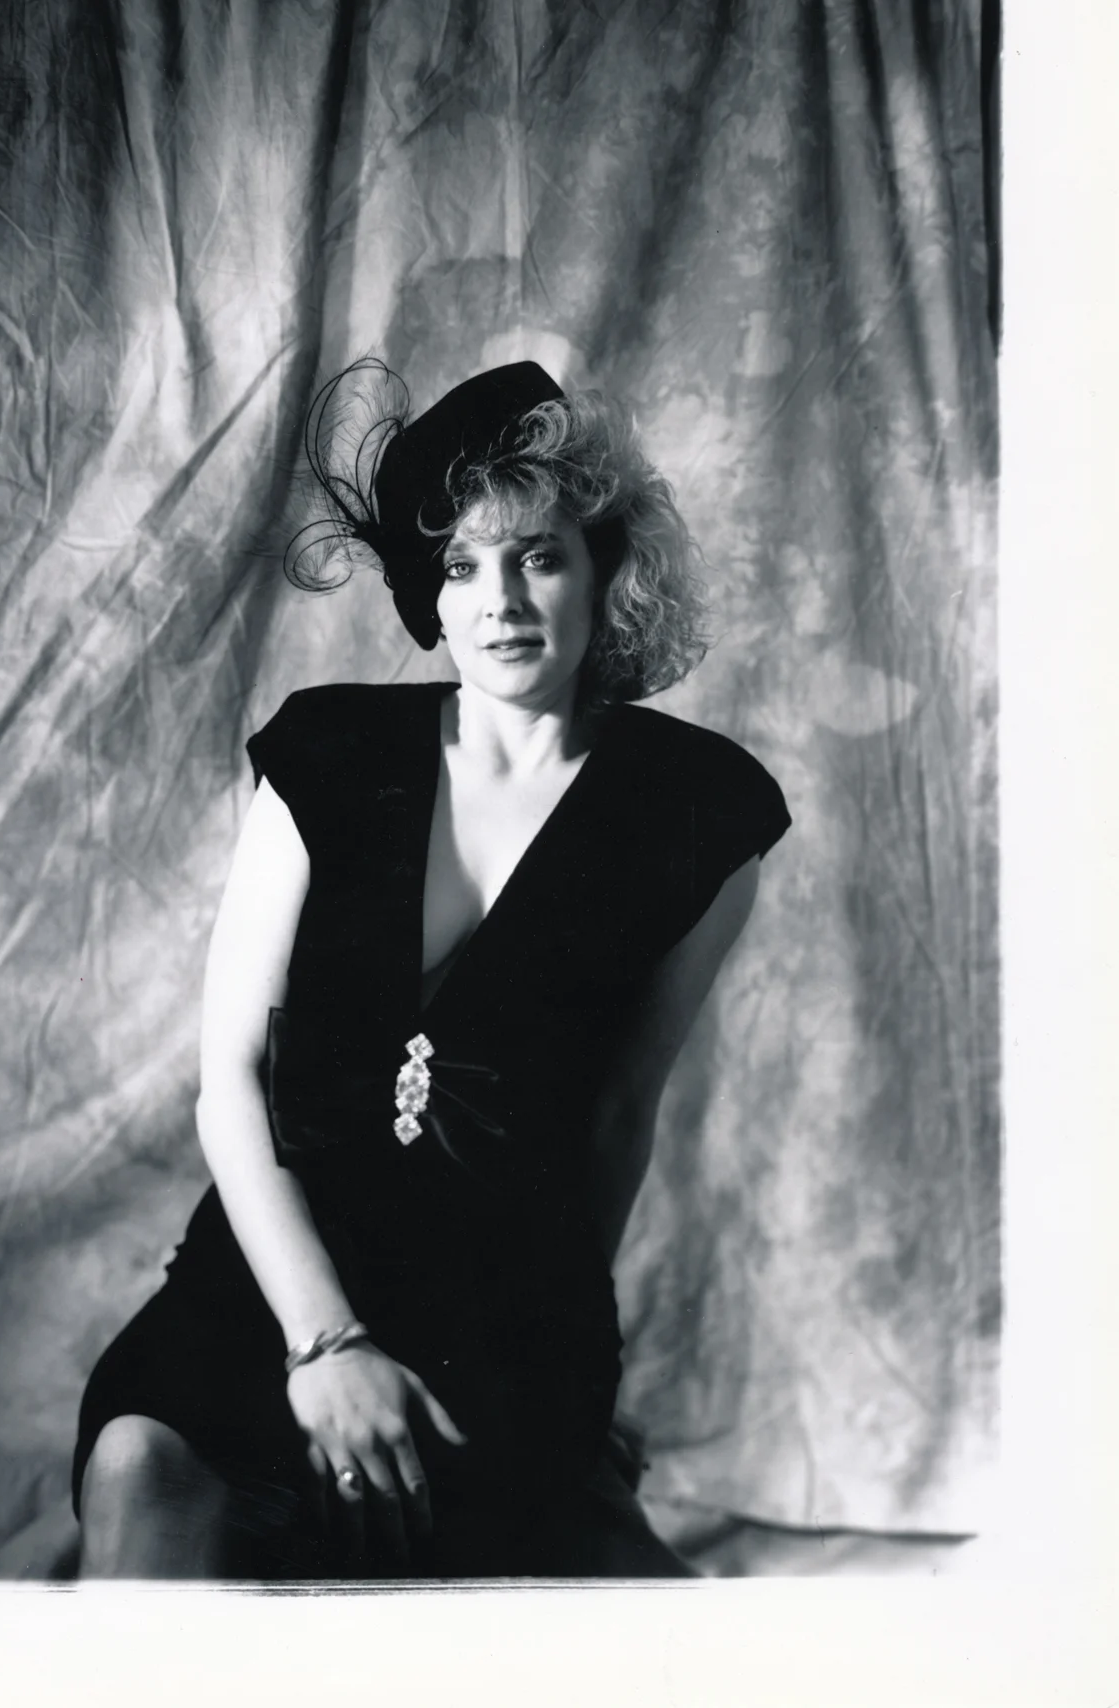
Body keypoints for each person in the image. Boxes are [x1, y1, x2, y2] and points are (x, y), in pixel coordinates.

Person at [72, 360, 791, 1580]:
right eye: (462, 566)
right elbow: (231, 1077)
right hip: (271, 1274)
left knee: (600, 1603)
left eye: (539, 555)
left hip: (503, 1303)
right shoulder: (328, 750)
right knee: (144, 1477)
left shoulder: (701, 811)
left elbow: (619, 1116)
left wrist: (562, 1375)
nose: (501, 600)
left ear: (605, 568)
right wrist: (323, 1340)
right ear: (429, 597)